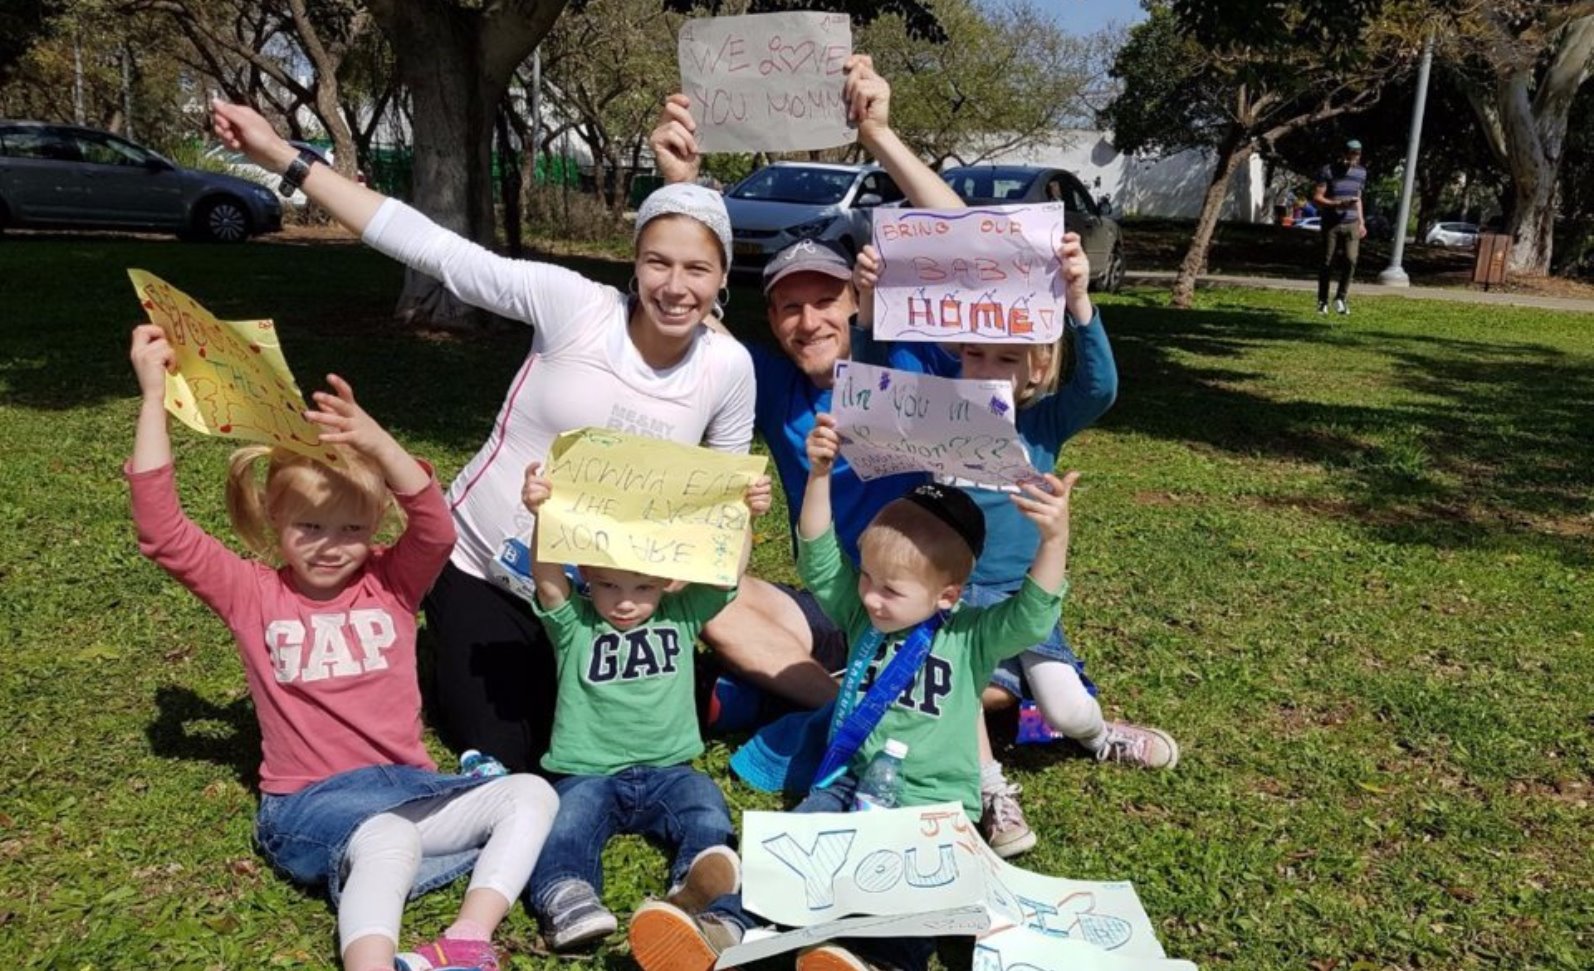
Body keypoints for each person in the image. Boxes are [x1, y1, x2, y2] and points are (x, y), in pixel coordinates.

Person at [210, 98, 809, 775]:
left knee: (611, 737)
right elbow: (433, 248)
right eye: (656, 264)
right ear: (633, 262)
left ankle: (750, 668)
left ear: (724, 278)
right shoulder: (575, 305)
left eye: (697, 271)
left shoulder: (727, 368)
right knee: (512, 753)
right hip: (480, 565)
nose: (674, 287)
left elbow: (721, 514)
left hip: (606, 597)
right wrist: (281, 156)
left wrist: (721, 537)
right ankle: (455, 653)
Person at [125, 324, 559, 971]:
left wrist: (374, 439)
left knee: (532, 794)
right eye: (309, 526)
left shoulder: (392, 580)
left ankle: (467, 939)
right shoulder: (252, 592)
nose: (330, 544)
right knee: (385, 836)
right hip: (311, 804)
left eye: (352, 527)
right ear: (274, 518)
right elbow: (163, 530)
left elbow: (435, 522)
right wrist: (153, 392)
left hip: (413, 788)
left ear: (376, 526)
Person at [627, 417, 1078, 971]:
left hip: (932, 811)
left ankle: (871, 961)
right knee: (795, 852)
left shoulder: (972, 636)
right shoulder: (864, 620)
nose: (871, 597)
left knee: (913, 905)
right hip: (850, 787)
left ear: (949, 595)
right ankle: (725, 926)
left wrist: (1054, 538)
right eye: (866, 577)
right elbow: (817, 555)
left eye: (891, 589)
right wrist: (820, 475)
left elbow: (1035, 610)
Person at [647, 55, 967, 706]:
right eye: (790, 306)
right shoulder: (770, 383)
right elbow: (687, 303)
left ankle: (796, 695)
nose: (809, 320)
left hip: (925, 607)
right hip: (836, 603)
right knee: (707, 602)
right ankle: (848, 700)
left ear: (855, 300)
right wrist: (682, 183)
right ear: (770, 318)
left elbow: (967, 243)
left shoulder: (918, 357)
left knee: (985, 671)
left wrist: (877, 135)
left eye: (825, 300)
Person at [853, 234, 1179, 860]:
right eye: (973, 353)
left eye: (1005, 357)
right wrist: (868, 304)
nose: (985, 368)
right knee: (958, 688)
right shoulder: (938, 414)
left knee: (1066, 706)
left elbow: (1100, 390)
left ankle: (1099, 734)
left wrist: (1080, 300)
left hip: (1026, 597)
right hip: (954, 600)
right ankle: (992, 790)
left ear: (1035, 366)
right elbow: (871, 379)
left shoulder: (1043, 423)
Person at [510, 461, 770, 951]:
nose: (624, 602)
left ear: (667, 580)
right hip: (587, 771)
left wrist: (744, 518)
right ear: (586, 574)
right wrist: (543, 514)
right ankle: (568, 897)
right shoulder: (574, 624)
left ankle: (702, 898)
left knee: (706, 810)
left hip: (669, 768)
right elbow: (546, 579)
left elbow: (724, 574)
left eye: (642, 588)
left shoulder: (682, 614)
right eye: (608, 586)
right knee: (564, 825)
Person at [1313, 138, 1368, 315]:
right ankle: (1322, 300)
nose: (1354, 157)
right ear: (1343, 153)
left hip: (1351, 223)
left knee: (1351, 260)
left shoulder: (1361, 173)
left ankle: (1341, 298)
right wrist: (1337, 204)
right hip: (1331, 223)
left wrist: (1361, 222)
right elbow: (1317, 197)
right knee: (1327, 262)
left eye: (1357, 154)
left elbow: (1358, 198)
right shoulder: (1327, 171)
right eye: (1351, 153)